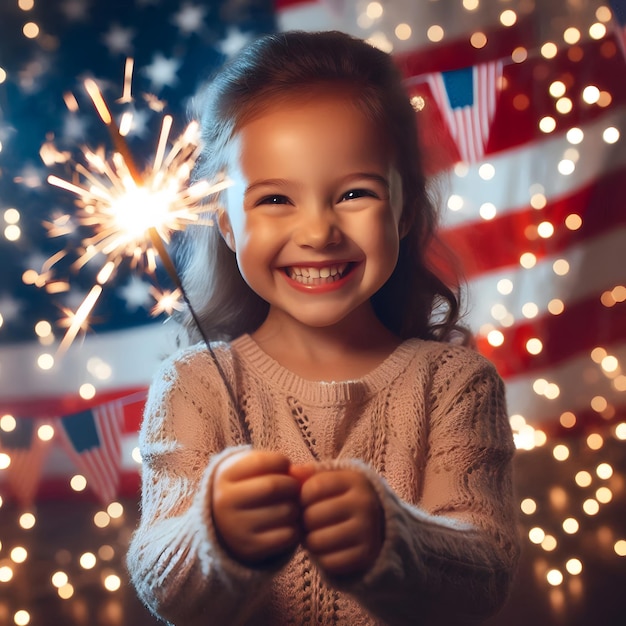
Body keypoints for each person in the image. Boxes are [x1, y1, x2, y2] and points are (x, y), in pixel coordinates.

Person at [127, 30, 520, 626]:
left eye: (354, 193)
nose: (318, 232)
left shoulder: (455, 384)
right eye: (275, 200)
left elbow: (487, 570)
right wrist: (217, 536)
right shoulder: (193, 385)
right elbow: (161, 581)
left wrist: (397, 539)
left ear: (406, 209)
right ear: (225, 223)